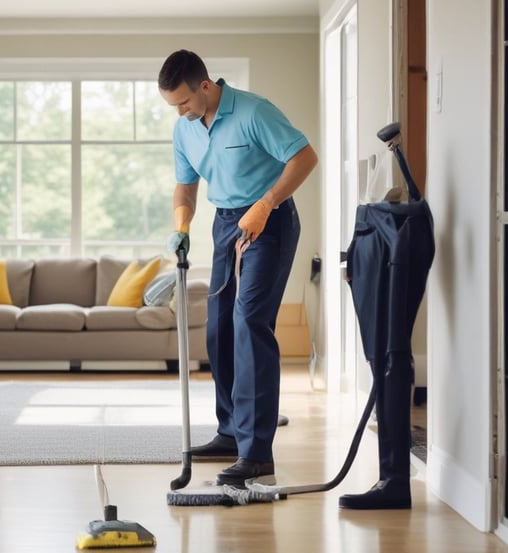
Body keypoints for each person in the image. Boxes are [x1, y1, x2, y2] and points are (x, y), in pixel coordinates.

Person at [158, 50, 317, 487]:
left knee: (250, 323)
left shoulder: (253, 111)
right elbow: (186, 185)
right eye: (173, 105)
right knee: (219, 328)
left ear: (205, 86)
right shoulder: (185, 128)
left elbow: (304, 158)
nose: (180, 111)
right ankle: (230, 433)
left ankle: (257, 452)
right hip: (225, 223)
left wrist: (266, 204)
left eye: (184, 102)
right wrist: (182, 224)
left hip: (269, 220)